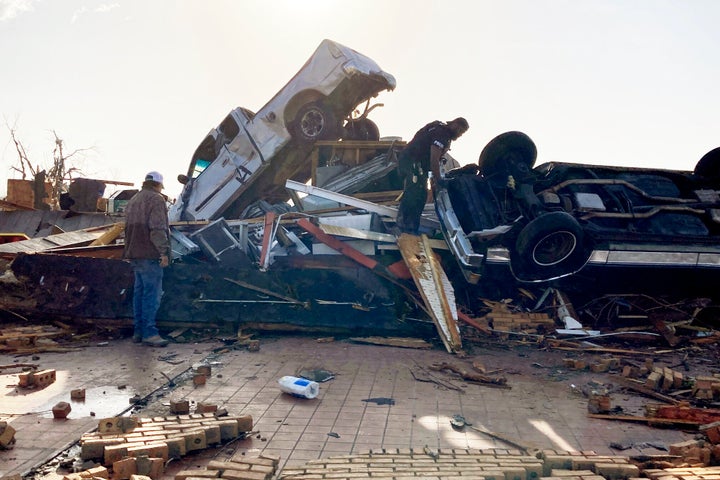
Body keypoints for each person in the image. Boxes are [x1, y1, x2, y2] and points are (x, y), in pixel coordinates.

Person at [396, 117, 469, 235]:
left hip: (413, 162)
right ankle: (404, 228)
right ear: (455, 125)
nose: (460, 135)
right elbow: (434, 158)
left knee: (418, 194)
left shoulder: (438, 128)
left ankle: (408, 227)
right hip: (413, 163)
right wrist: (438, 179)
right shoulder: (442, 134)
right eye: (460, 131)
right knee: (416, 194)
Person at [123, 171, 172, 347]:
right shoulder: (156, 200)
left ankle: (138, 332)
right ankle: (150, 333)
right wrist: (164, 252)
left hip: (134, 254)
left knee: (139, 294)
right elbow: (157, 229)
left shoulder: (134, 200)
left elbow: (127, 229)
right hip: (150, 255)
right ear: (158, 185)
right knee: (152, 295)